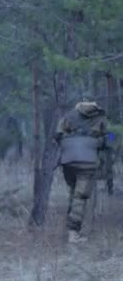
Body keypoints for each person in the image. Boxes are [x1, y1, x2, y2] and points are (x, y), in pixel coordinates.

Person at [56, 98, 109, 243]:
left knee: (74, 194)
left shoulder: (69, 115)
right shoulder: (100, 117)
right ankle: (73, 234)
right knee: (80, 197)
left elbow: (57, 135)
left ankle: (69, 230)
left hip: (68, 160)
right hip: (87, 160)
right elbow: (109, 138)